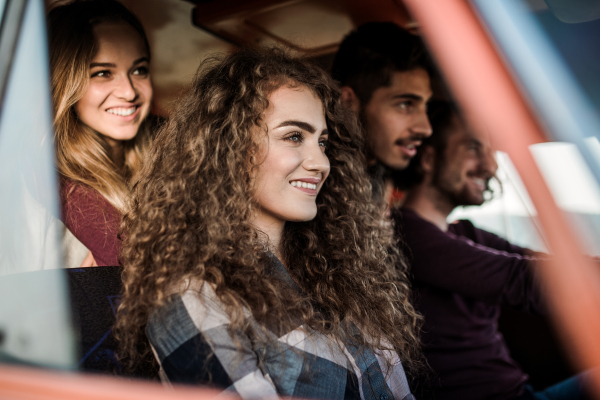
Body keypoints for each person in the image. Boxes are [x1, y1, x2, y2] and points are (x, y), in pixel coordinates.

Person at [115, 48, 423, 400]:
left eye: (322, 142)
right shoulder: (193, 298)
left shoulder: (340, 276)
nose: (321, 162)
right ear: (229, 148)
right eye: (294, 136)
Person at [394, 101, 591, 400]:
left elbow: (542, 264)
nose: (491, 165)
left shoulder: (464, 231)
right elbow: (524, 280)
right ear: (429, 159)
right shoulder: (407, 234)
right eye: (473, 148)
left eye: (489, 150)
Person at [47, 0, 154, 266]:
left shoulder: (171, 165)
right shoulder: (53, 195)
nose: (129, 92)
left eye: (139, 70)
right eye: (103, 73)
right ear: (65, 81)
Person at [331, 22, 434, 200]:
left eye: (425, 106)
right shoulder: (315, 184)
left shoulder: (377, 180)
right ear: (347, 102)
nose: (426, 129)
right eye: (405, 105)